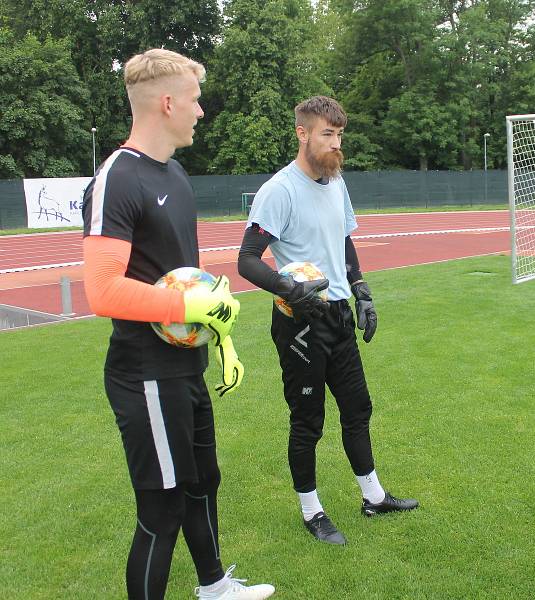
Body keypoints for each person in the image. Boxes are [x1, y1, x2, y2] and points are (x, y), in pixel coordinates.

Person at [81, 48, 274, 600]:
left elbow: (184, 282)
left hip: (185, 367)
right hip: (144, 375)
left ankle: (213, 586)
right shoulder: (117, 178)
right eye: (194, 99)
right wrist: (192, 311)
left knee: (202, 485)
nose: (201, 110)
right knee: (160, 510)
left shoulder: (176, 172)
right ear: (167, 102)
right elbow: (101, 291)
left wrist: (223, 340)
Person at [237, 96, 418, 545]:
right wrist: (291, 290)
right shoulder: (279, 190)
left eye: (339, 135)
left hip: (337, 316)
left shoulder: (337, 182)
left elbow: (344, 241)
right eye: (327, 134)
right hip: (299, 322)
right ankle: (311, 510)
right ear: (302, 134)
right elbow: (246, 261)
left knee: (358, 409)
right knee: (308, 421)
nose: (336, 143)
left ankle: (373, 497)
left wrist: (362, 293)